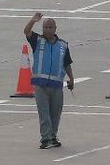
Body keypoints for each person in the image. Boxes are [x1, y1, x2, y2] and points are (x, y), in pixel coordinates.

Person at [24, 12, 75, 149]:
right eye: (45, 27)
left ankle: (53, 136)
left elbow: (67, 63)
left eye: (50, 27)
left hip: (57, 85)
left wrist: (71, 78)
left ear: (55, 29)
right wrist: (33, 20)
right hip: (40, 84)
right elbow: (26, 31)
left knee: (55, 113)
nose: (47, 29)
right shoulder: (37, 40)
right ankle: (45, 138)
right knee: (44, 113)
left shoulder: (63, 45)